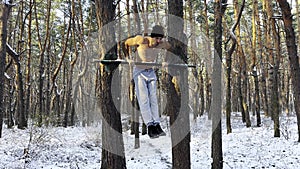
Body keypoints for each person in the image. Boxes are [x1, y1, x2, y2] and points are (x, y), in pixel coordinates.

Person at [124, 25, 171, 138]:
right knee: (144, 99)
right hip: (139, 72)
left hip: (151, 71)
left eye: (160, 39)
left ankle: (157, 124)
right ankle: (150, 125)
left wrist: (165, 61)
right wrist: (128, 58)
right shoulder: (142, 40)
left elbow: (169, 48)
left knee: (153, 98)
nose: (158, 41)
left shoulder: (161, 43)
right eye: (157, 39)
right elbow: (126, 43)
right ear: (152, 37)